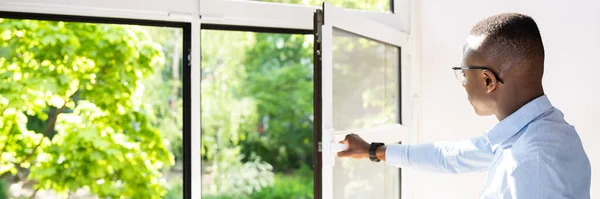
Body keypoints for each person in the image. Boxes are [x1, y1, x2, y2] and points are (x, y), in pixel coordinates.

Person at [337, 13, 591, 199]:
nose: (462, 83)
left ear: (488, 80)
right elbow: (451, 156)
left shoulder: (530, 162)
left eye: (464, 73)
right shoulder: (546, 131)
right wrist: (373, 150)